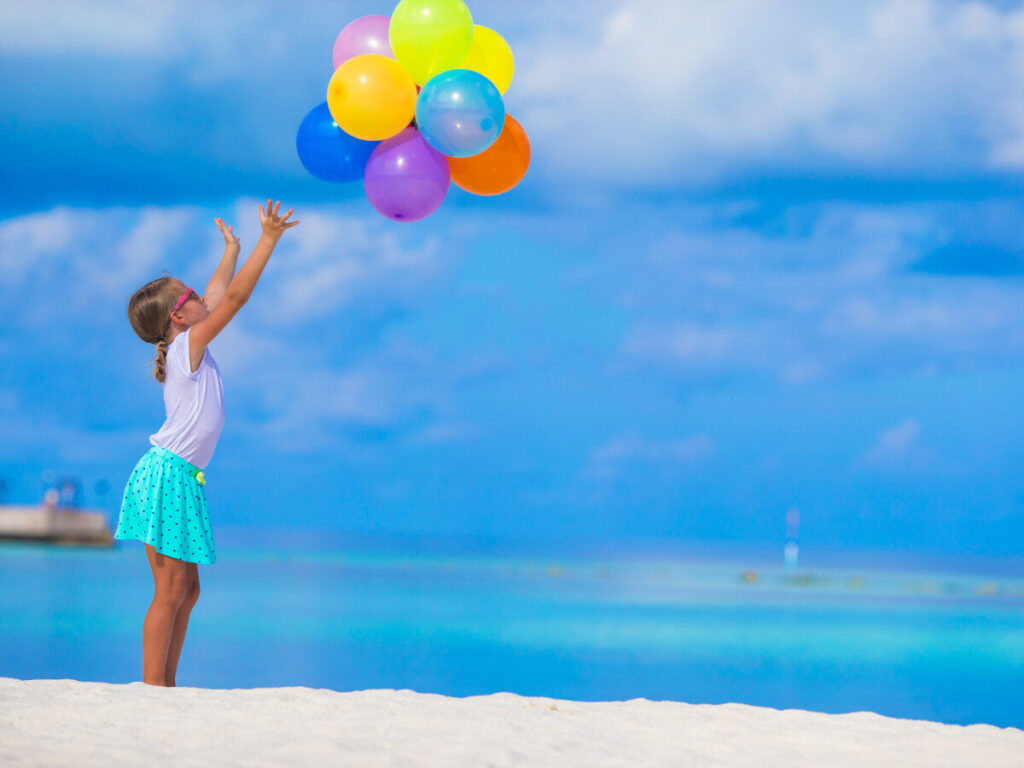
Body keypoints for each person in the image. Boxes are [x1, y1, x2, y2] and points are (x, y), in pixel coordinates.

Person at [115, 200, 299, 687]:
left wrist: (232, 249)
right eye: (192, 295)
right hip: (168, 474)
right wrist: (268, 241)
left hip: (182, 477)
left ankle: (166, 686)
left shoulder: (186, 342)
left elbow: (217, 294)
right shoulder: (186, 347)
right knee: (169, 590)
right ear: (179, 317)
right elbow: (233, 300)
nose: (203, 297)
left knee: (187, 590)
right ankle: (153, 689)